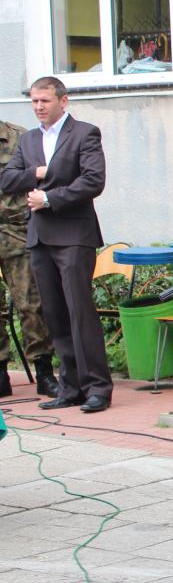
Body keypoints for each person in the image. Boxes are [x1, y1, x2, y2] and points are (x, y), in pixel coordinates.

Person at [0, 77, 110, 412]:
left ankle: (97, 387)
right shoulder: (29, 139)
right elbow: (7, 179)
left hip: (74, 235)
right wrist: (36, 172)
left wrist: (49, 198)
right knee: (55, 315)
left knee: (79, 312)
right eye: (34, 101)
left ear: (63, 101)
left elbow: (93, 180)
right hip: (39, 236)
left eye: (44, 100)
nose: (38, 107)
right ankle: (70, 386)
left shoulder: (84, 133)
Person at [0, 119, 57, 399]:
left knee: (31, 303)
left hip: (16, 229)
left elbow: (46, 178)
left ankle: (44, 372)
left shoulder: (21, 138)